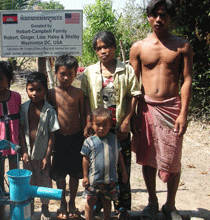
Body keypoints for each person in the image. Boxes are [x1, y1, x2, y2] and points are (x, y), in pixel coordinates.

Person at [130, 1, 193, 220]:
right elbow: (133, 83)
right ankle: (152, 202)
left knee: (173, 158)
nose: (159, 19)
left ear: (170, 17)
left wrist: (183, 113)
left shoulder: (182, 45)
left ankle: (170, 205)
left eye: (163, 15)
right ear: (148, 17)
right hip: (146, 108)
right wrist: (133, 115)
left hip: (172, 108)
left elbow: (186, 80)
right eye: (154, 15)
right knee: (147, 157)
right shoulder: (138, 47)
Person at [81, 31, 141, 219]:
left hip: (119, 129)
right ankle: (98, 203)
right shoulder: (90, 72)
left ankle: (122, 208)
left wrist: (126, 122)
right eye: (99, 48)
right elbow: (84, 99)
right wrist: (89, 122)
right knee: (98, 167)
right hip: (98, 130)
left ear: (114, 48)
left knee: (122, 169)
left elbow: (134, 96)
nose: (103, 51)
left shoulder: (127, 70)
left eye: (106, 47)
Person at [47, 54, 86, 219]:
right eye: (62, 74)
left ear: (75, 74)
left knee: (75, 173)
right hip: (59, 139)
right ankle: (62, 201)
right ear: (55, 73)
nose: (66, 77)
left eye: (70, 74)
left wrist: (86, 132)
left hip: (76, 137)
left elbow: (83, 114)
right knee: (60, 174)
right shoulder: (51, 93)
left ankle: (72, 202)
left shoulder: (78, 93)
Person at [20, 72, 60, 220]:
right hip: (28, 155)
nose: (34, 93)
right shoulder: (24, 108)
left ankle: (44, 208)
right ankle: (29, 208)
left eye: (39, 90)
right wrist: (23, 151)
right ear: (26, 89)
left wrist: (47, 156)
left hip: (43, 154)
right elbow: (21, 130)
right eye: (31, 90)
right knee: (28, 182)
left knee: (44, 182)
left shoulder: (49, 110)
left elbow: (52, 135)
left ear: (45, 90)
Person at [81, 108, 128, 220]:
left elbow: (119, 155)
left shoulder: (114, 139)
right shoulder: (89, 141)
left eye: (104, 125)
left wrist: (124, 171)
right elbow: (85, 159)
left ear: (110, 124)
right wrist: (85, 176)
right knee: (90, 201)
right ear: (92, 124)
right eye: (98, 125)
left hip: (110, 179)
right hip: (93, 180)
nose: (101, 128)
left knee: (107, 202)